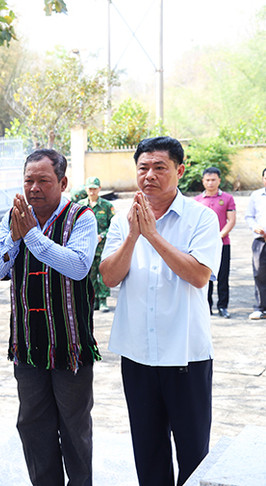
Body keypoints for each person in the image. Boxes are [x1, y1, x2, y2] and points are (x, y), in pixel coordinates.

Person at [100, 136, 221, 486]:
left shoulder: (201, 218)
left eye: (159, 167)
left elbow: (199, 275)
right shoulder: (125, 220)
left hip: (185, 353)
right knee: (148, 451)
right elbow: (108, 277)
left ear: (180, 171)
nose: (149, 175)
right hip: (137, 354)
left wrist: (153, 236)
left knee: (193, 454)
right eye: (143, 168)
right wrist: (134, 236)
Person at [0, 148, 100, 486]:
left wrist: (32, 236)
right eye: (28, 181)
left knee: (74, 427)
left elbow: (78, 267)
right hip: (28, 347)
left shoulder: (82, 217)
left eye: (43, 181)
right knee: (33, 425)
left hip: (70, 345)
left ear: (62, 182)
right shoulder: (15, 218)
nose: (34, 188)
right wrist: (14, 236)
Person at [194, 166, 236, 318]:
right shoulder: (197, 201)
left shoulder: (227, 198)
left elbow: (231, 220)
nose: (210, 183)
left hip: (223, 244)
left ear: (219, 180)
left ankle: (223, 306)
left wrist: (219, 236)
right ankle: (207, 307)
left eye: (213, 180)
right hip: (204, 246)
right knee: (205, 277)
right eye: (207, 180)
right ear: (203, 181)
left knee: (223, 276)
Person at [76, 176, 115, 312]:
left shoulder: (107, 206)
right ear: (86, 189)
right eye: (90, 188)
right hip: (87, 247)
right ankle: (93, 300)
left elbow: (113, 226)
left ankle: (103, 300)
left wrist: (101, 236)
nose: (92, 191)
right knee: (90, 275)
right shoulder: (80, 206)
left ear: (99, 189)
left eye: (94, 188)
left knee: (103, 273)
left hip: (103, 247)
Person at [245, 167, 266, 320]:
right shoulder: (256, 195)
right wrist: (255, 227)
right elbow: (249, 216)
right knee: (260, 274)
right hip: (260, 240)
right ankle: (260, 308)